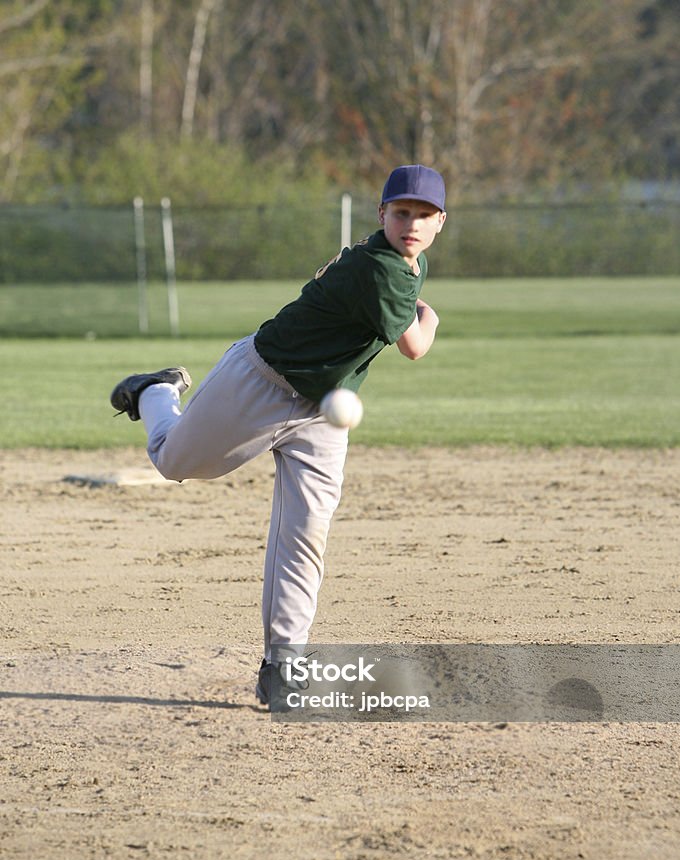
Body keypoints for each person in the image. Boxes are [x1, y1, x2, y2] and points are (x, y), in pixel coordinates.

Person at [110, 164, 447, 707]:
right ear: (381, 214)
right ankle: (154, 391)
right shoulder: (383, 267)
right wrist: (429, 316)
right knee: (173, 461)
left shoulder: (408, 261)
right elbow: (415, 345)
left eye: (424, 214)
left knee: (306, 530)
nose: (412, 222)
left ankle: (284, 665)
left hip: (323, 412)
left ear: (439, 223)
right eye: (402, 211)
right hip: (262, 381)